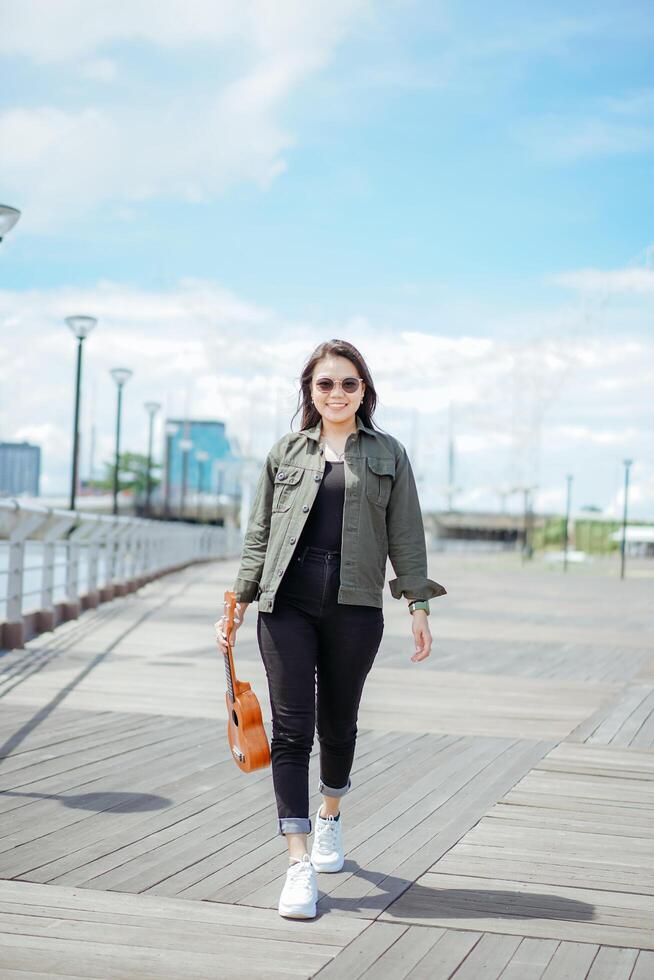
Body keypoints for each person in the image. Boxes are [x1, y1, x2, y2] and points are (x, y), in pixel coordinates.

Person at [215, 338, 446, 919]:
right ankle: (297, 864)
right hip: (285, 602)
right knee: (292, 729)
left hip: (355, 604)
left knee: (338, 722)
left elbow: (407, 534)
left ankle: (330, 818)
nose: (337, 393)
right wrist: (239, 601)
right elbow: (259, 533)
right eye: (325, 384)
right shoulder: (285, 453)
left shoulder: (388, 453)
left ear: (364, 391)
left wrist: (417, 604)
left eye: (349, 383)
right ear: (309, 392)